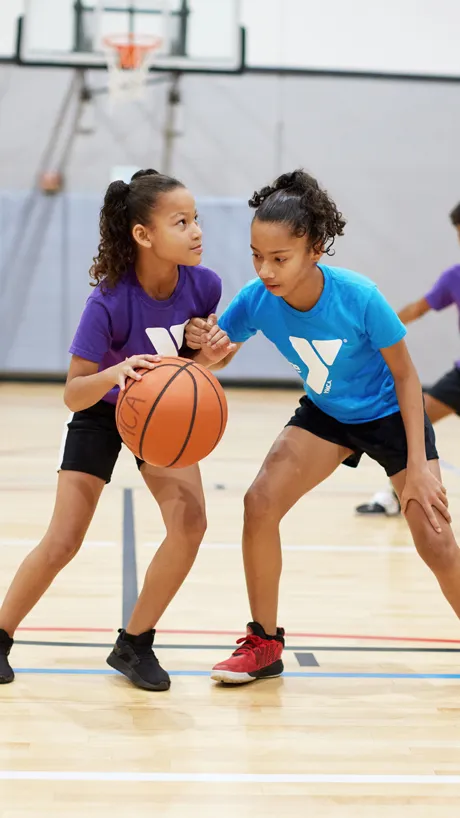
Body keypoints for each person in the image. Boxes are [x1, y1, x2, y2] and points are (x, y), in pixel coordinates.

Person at [185, 170, 460, 685]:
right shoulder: (256, 298)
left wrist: (420, 468)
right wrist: (208, 349)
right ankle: (264, 643)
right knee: (259, 503)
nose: (265, 269)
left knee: (436, 540)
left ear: (314, 248)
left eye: (279, 258)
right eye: (256, 255)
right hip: (327, 413)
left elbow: (406, 375)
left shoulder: (358, 296)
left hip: (390, 415)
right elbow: (217, 356)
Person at [0, 169, 233, 690]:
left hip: (162, 413)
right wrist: (115, 373)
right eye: (181, 221)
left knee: (190, 525)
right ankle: (1, 633)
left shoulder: (205, 284)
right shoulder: (107, 301)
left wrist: (209, 353)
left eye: (196, 220)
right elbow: (73, 391)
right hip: (102, 408)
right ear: (143, 235)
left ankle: (134, 643)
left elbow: (198, 367)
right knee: (64, 539)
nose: (196, 231)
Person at [356, 202, 460, 517]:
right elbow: (417, 309)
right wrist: (376, 331)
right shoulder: (454, 277)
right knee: (413, 421)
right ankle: (400, 495)